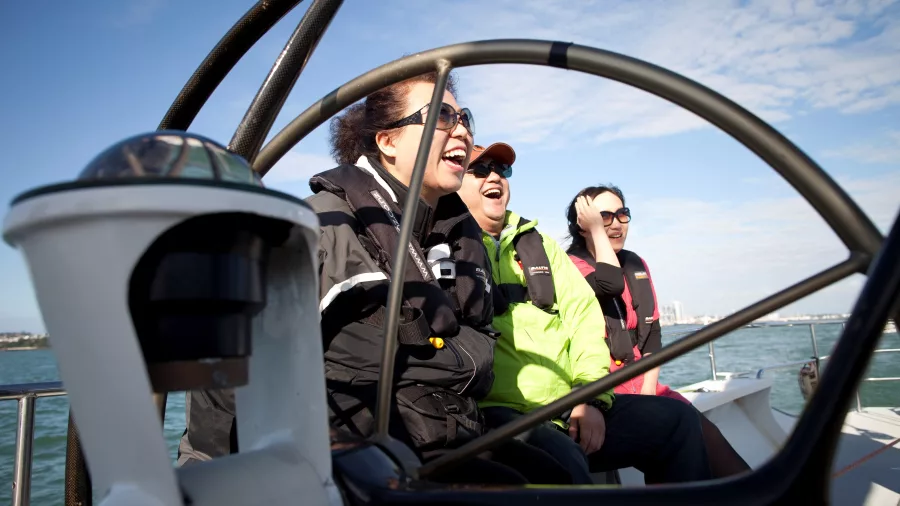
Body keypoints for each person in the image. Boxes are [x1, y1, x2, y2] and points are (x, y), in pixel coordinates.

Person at [177, 72, 572, 486]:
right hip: (356, 456)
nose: (461, 131)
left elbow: (478, 354)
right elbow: (225, 373)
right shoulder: (323, 227)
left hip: (449, 430)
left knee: (557, 475)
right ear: (388, 142)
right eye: (440, 115)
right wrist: (218, 478)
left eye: (464, 117)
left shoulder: (454, 235)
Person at [456, 142, 714, 485]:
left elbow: (585, 322)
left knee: (677, 422)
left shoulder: (539, 246)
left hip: (570, 404)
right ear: (455, 179)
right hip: (498, 413)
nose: (495, 176)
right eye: (481, 169)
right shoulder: (444, 245)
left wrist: (589, 400)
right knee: (561, 459)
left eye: (502, 170)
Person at [565, 185, 751, 478]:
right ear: (584, 224)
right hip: (601, 385)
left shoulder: (636, 264)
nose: (614, 223)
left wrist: (649, 389)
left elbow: (652, 333)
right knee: (672, 435)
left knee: (706, 435)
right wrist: (597, 233)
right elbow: (608, 284)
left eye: (621, 214)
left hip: (643, 379)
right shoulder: (569, 268)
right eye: (603, 217)